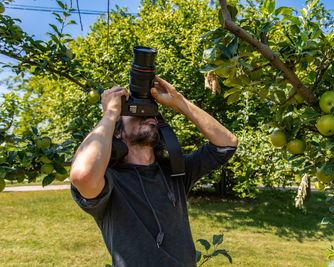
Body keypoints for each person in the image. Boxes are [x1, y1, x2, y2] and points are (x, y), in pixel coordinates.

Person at [69, 76, 238, 267]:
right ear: (116, 132)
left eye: (151, 111)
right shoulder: (110, 182)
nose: (147, 115)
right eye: (135, 111)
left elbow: (226, 144)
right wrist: (109, 114)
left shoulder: (175, 172)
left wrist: (179, 102)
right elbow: (82, 175)